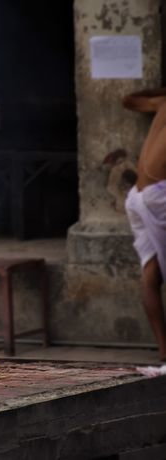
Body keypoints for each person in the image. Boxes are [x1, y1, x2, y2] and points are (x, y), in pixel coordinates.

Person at [123, 88, 166, 361]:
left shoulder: (162, 103)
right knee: (151, 276)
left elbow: (128, 99)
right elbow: (127, 99)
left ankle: (164, 352)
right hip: (156, 197)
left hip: (138, 197)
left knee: (151, 276)